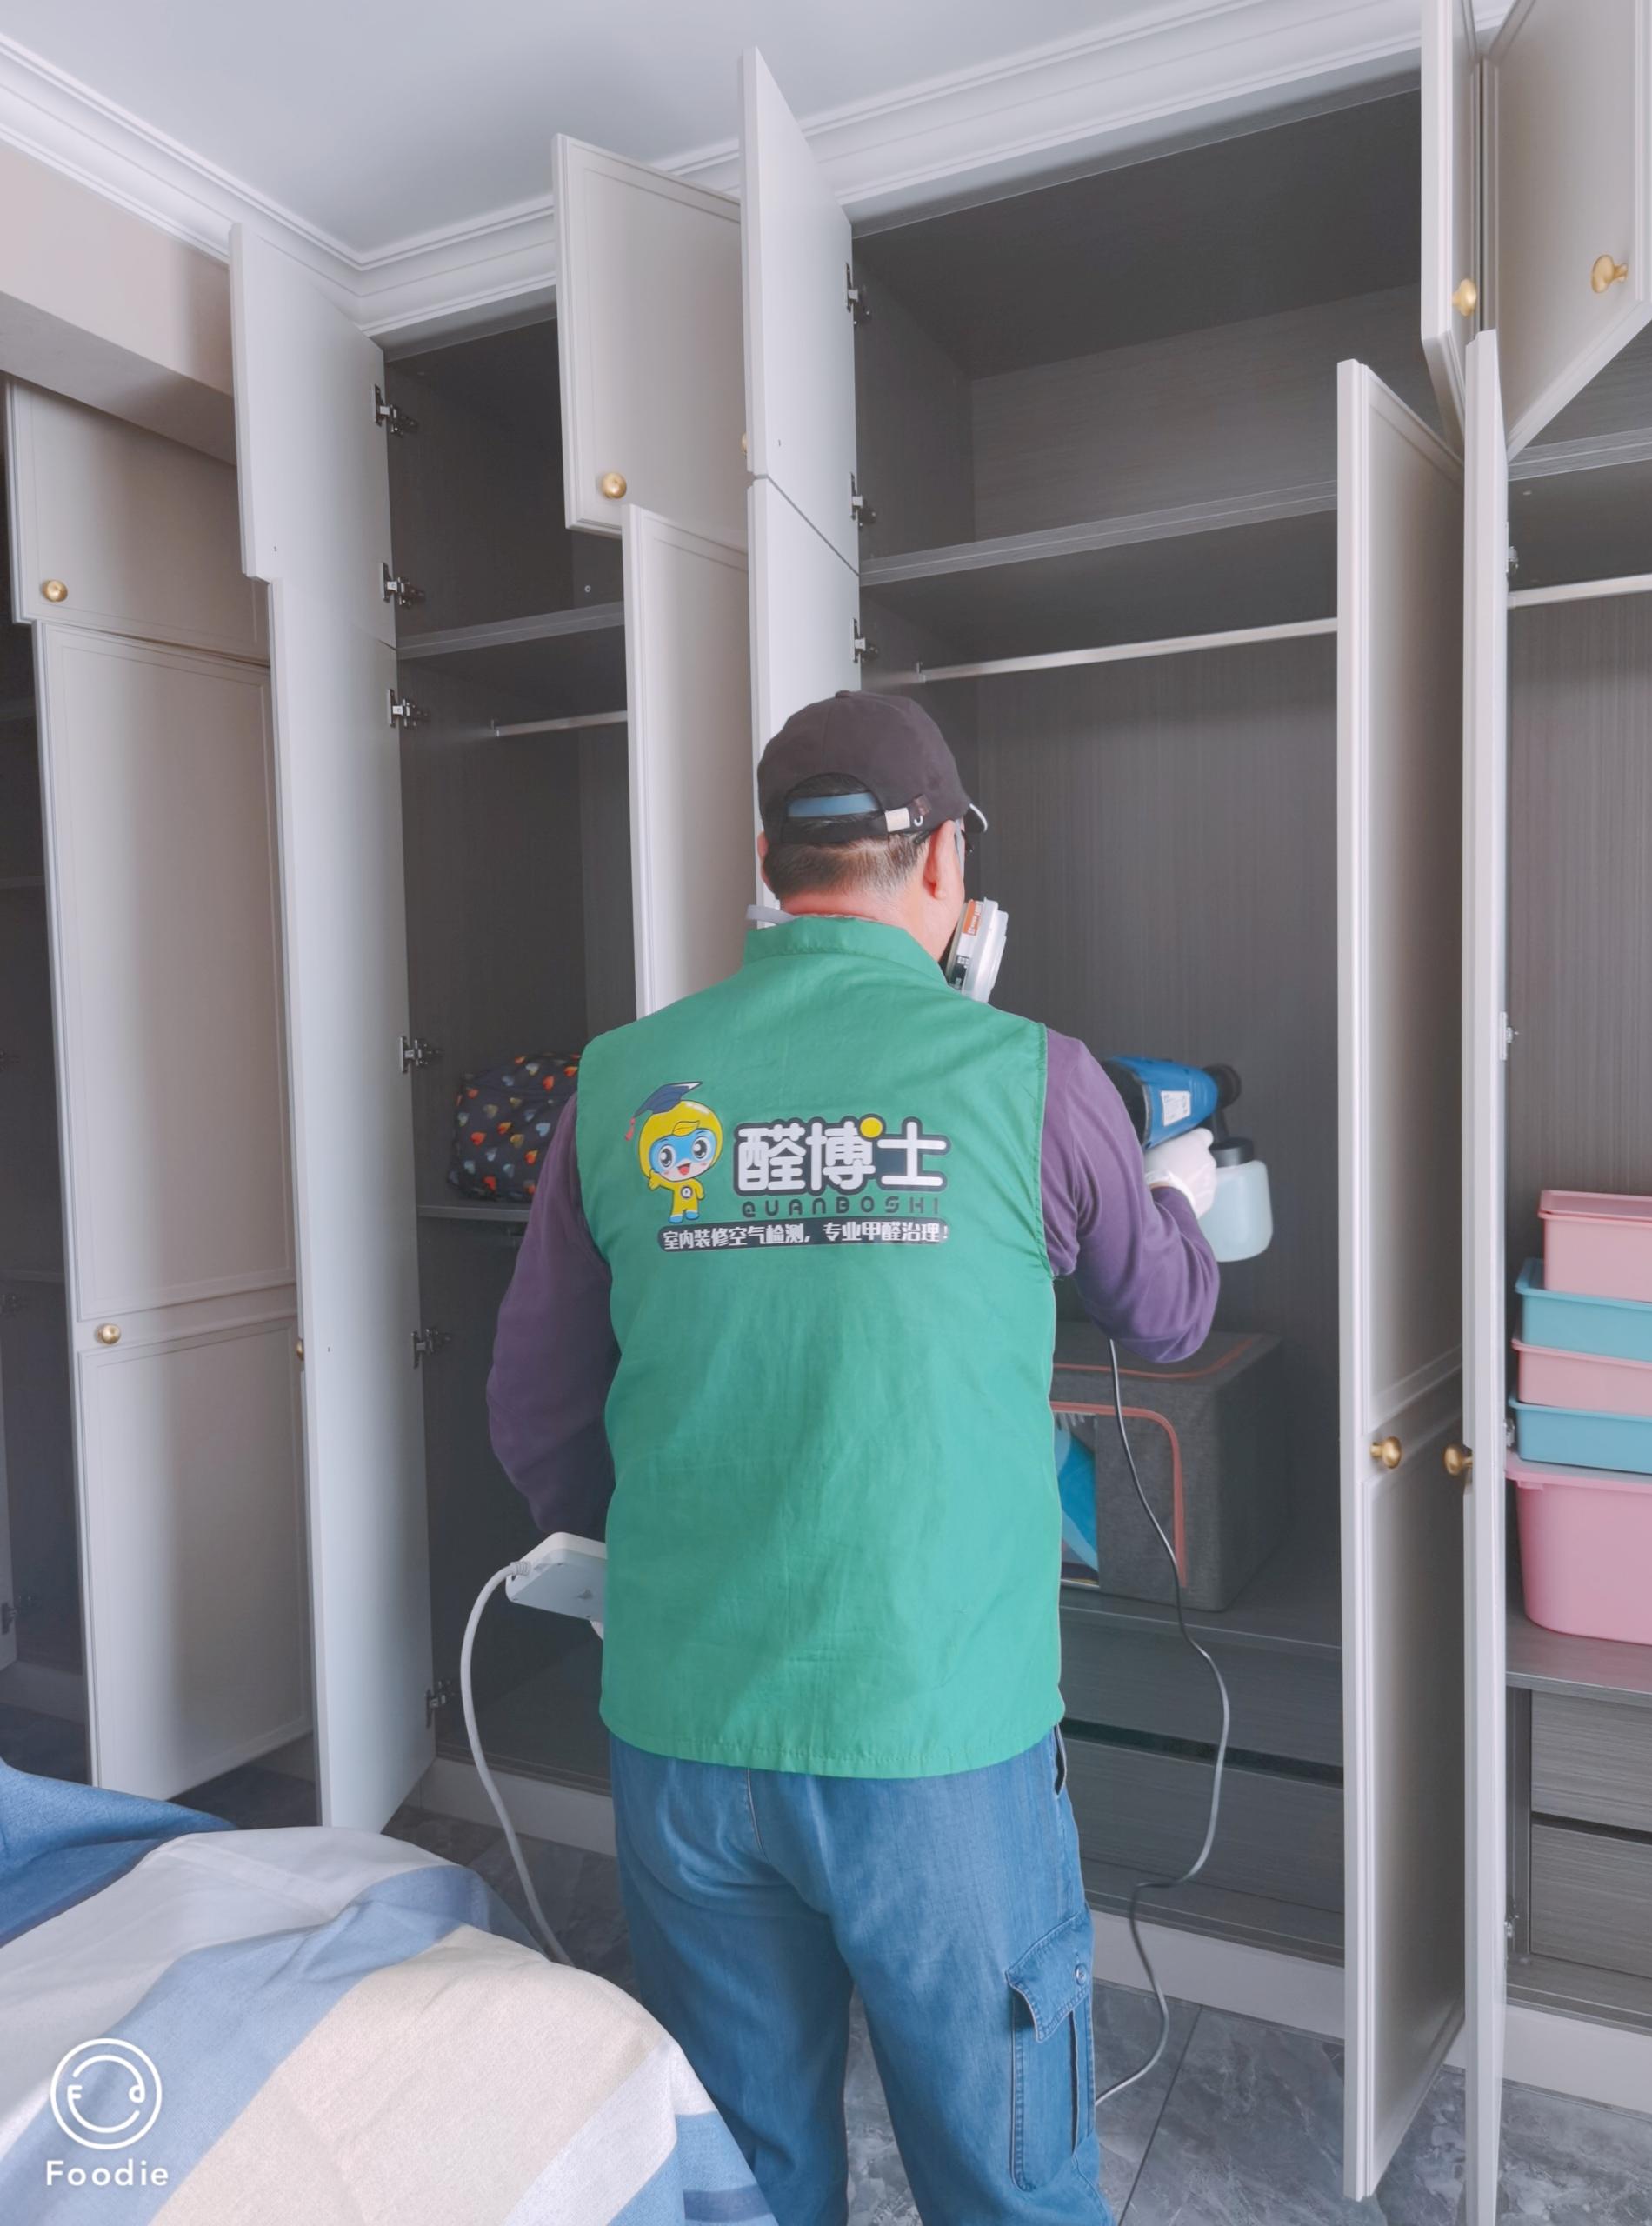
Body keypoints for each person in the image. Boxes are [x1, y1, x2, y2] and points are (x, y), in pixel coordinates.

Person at [488, 690, 1219, 2226]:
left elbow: (537, 1411)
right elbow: (1163, 1315)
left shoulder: (621, 1083)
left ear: (769, 862)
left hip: (685, 1737)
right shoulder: (1034, 1075)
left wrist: (675, 1556)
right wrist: (1174, 1195)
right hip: (937, 1747)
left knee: (742, 2179)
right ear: (945, 863)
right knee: (1007, 2185)